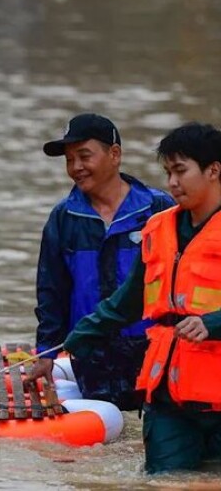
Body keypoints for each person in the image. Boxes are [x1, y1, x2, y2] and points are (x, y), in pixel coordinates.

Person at [64, 122, 221, 473]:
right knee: (164, 480)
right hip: (170, 394)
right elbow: (129, 301)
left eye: (180, 171)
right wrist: (80, 335)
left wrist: (212, 323)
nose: (172, 183)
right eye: (168, 173)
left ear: (213, 170)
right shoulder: (158, 228)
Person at [27, 113, 174, 411]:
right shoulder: (64, 217)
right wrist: (46, 353)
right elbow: (51, 291)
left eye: (84, 156)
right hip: (92, 355)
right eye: (69, 160)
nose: (76, 168)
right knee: (108, 428)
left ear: (114, 154)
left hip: (151, 347)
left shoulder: (158, 209)